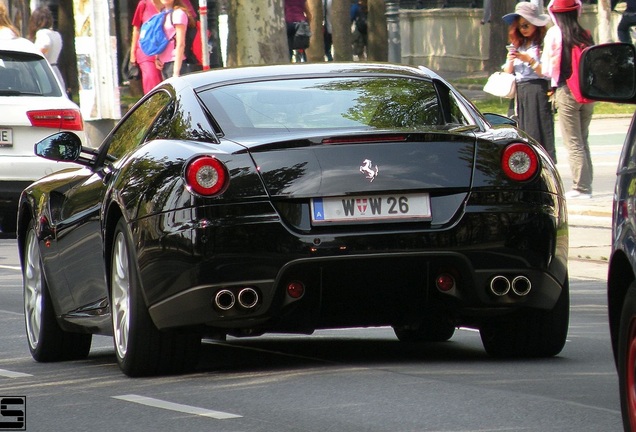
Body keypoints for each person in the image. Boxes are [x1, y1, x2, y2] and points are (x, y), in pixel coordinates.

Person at [542, 0, 595, 199]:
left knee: (573, 142)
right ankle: (586, 185)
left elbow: (548, 69)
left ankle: (581, 188)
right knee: (583, 139)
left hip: (566, 90)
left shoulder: (555, 35)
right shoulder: (586, 35)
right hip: (587, 93)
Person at [502, 2, 556, 162]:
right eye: (519, 26)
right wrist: (511, 59)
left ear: (536, 25)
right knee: (521, 129)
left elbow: (545, 72)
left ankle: (543, 162)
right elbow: (507, 71)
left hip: (537, 89)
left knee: (538, 130)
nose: (523, 29)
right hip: (520, 90)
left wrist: (530, 60)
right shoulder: (517, 44)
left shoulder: (541, 45)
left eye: (526, 25)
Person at [28, 7, 65, 94]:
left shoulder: (42, 33)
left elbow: (44, 45)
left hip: (44, 72)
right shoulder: (56, 34)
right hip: (55, 69)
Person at [155, 0, 195, 80]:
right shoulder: (162, 13)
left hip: (176, 62)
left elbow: (181, 43)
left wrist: (176, 72)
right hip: (163, 63)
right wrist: (157, 57)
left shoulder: (178, 13)